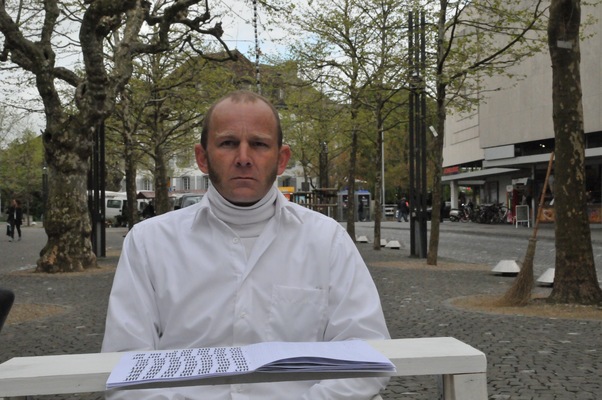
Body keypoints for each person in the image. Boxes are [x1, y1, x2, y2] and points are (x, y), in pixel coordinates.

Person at [102, 90, 390, 399]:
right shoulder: (149, 243)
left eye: (259, 144)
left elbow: (366, 351)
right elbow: (125, 363)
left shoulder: (327, 241)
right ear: (202, 157)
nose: (243, 158)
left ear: (281, 159)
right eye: (228, 143)